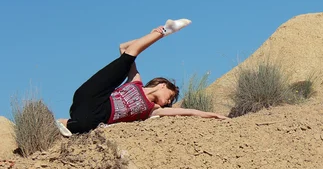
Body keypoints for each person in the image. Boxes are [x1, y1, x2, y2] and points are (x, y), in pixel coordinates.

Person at [56, 19, 227, 137]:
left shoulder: (153, 110)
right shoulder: (136, 81)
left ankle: (66, 123)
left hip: (89, 116)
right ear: (162, 85)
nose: (169, 102)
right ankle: (165, 31)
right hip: (92, 95)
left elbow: (189, 112)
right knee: (127, 59)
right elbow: (124, 47)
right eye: (171, 96)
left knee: (89, 124)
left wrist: (214, 116)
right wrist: (151, 33)